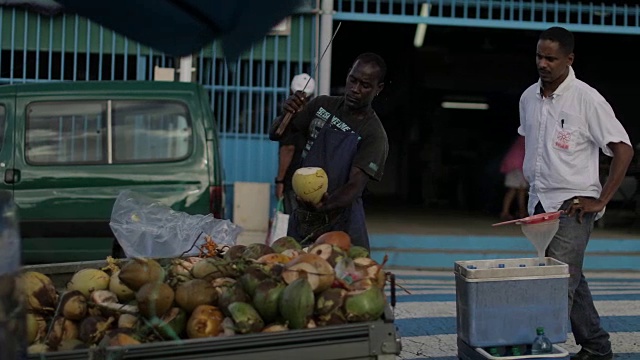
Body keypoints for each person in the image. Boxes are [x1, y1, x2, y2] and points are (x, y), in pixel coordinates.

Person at [518, 26, 633, 360]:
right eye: (539, 56)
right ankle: (597, 347)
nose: (543, 63)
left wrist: (601, 200)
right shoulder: (528, 97)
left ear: (569, 59)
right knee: (571, 278)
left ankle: (540, 351)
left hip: (574, 207)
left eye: (551, 58)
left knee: (555, 286)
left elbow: (623, 150)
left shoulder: (587, 99)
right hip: (540, 203)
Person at [269, 52, 389, 250]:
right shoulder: (321, 106)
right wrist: (286, 113)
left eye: (365, 85)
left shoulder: (374, 134)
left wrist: (323, 207)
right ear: (348, 74)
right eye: (353, 80)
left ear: (379, 89)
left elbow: (354, 186)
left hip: (342, 222)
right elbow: (276, 134)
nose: (355, 89)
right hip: (305, 217)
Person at [275, 73, 316, 215]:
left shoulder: (289, 117)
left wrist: (279, 181)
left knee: (294, 222)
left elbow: (288, 149)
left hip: (294, 180)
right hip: (313, 179)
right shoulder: (316, 116)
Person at [499, 135, 528, 220]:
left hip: (512, 164)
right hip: (518, 165)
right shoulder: (528, 138)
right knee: (521, 189)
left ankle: (507, 212)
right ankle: (521, 212)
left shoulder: (521, 138)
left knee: (514, 189)